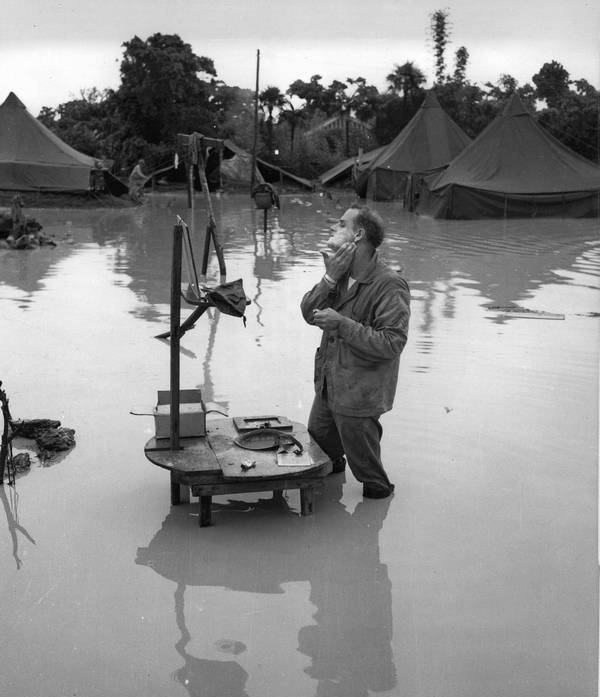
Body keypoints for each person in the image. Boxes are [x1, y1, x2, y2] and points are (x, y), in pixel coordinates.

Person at [301, 205, 410, 498]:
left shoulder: (389, 284)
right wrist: (328, 279)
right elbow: (308, 313)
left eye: (340, 225)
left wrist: (342, 324)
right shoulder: (339, 273)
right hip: (329, 383)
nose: (332, 230)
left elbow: (392, 343)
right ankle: (333, 474)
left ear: (358, 235)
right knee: (318, 439)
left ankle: (378, 496)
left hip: (360, 391)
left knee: (368, 472)